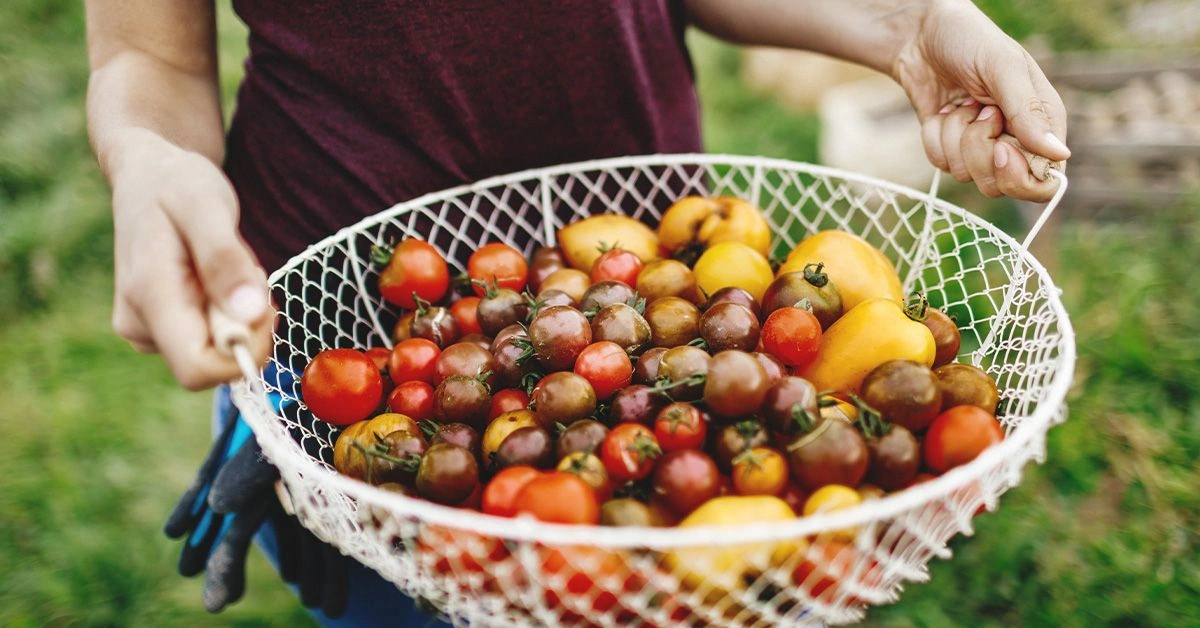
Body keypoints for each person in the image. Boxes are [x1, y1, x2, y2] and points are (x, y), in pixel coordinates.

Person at [84, 0, 1070, 624]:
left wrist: (903, 25)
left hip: (654, 292)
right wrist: (146, 156)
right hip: (359, 372)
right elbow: (149, 59)